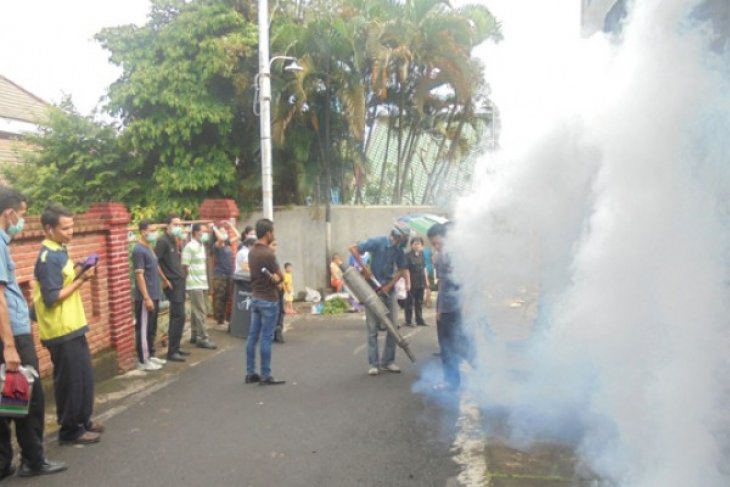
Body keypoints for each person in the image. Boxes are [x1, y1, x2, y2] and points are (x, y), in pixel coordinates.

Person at [0, 189, 66, 477]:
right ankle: (33, 460)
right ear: (10, 213)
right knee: (28, 396)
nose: (22, 221)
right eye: (23, 215)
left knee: (9, 396)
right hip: (11, 336)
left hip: (9, 334)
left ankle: (4, 462)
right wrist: (10, 346)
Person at [33, 203, 104, 445]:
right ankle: (70, 430)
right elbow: (52, 298)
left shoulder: (60, 250)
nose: (70, 232)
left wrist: (79, 267)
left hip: (74, 325)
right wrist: (83, 278)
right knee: (70, 381)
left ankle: (83, 420)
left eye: (72, 227)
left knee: (83, 376)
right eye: (65, 228)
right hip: (60, 330)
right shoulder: (47, 258)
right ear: (48, 229)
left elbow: (65, 278)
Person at [349, 223, 409, 376]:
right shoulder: (378, 242)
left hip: (389, 290)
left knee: (393, 327)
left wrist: (390, 286)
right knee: (372, 328)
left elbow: (402, 270)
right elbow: (353, 248)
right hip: (372, 289)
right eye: (400, 238)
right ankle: (373, 364)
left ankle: (388, 361)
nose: (400, 241)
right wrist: (364, 267)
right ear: (395, 235)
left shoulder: (399, 251)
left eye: (402, 239)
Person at [245, 219, 285, 385]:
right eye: (273, 232)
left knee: (252, 336)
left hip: (256, 298)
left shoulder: (252, 251)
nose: (273, 235)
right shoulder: (268, 254)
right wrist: (277, 279)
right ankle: (266, 374)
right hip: (269, 299)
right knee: (266, 337)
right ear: (268, 233)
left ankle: (250, 372)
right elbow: (279, 276)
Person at [427, 222, 466, 390]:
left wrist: (466, 306)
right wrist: (439, 309)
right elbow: (442, 285)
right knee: (446, 347)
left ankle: (487, 376)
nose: (436, 246)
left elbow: (467, 282)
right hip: (445, 308)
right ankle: (451, 382)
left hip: (458, 308)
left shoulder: (458, 256)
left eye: (438, 242)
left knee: (463, 346)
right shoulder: (439, 257)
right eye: (433, 244)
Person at [132, 220, 167, 371]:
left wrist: (164, 279)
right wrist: (146, 297)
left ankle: (151, 355)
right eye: (151, 230)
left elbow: (155, 266)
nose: (154, 233)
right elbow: (139, 276)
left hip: (155, 292)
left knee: (152, 327)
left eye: (155, 230)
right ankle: (143, 359)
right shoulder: (138, 250)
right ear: (143, 231)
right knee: (144, 328)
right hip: (145, 296)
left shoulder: (149, 248)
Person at [155, 215, 188, 362]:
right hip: (172, 283)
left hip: (179, 281)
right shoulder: (162, 242)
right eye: (175, 224)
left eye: (180, 225)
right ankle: (172, 351)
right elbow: (155, 262)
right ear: (167, 226)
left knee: (180, 316)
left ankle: (176, 347)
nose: (178, 227)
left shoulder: (174, 240)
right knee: (177, 315)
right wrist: (164, 279)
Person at [181, 224, 216, 350]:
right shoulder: (189, 247)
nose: (204, 233)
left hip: (202, 282)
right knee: (200, 311)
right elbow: (184, 266)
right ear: (195, 232)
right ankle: (203, 338)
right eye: (203, 231)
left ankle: (195, 335)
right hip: (194, 284)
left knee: (197, 311)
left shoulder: (201, 246)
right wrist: (190, 279)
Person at [210, 222, 238, 329]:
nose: (224, 233)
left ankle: (224, 319)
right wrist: (214, 227)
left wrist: (231, 225)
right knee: (220, 298)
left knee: (227, 297)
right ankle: (219, 320)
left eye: (225, 231)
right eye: (222, 231)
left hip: (229, 274)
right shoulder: (217, 244)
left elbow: (238, 236)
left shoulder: (228, 244)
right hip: (220, 275)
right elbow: (221, 239)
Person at [404, 236, 429, 327]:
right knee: (409, 302)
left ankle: (420, 320)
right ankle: (409, 321)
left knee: (419, 302)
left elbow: (424, 268)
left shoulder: (422, 254)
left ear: (422, 246)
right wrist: (408, 283)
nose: (417, 245)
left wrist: (426, 281)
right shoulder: (408, 255)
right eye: (415, 244)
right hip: (412, 281)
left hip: (420, 281)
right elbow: (406, 270)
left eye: (419, 244)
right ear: (411, 245)